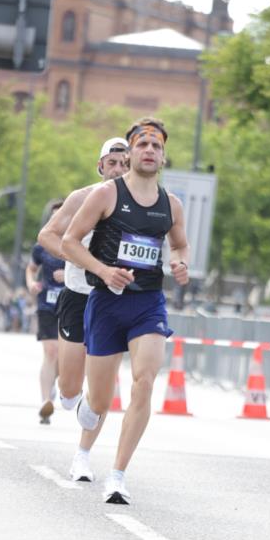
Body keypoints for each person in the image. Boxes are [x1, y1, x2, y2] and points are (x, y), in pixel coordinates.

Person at [62, 117, 190, 504]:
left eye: (156, 146)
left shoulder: (171, 205)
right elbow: (69, 242)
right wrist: (102, 271)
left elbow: (180, 245)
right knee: (99, 403)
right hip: (105, 303)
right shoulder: (105, 195)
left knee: (144, 381)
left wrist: (181, 263)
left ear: (164, 157)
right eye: (142, 145)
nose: (149, 150)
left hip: (147, 302)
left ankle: (117, 475)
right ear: (131, 152)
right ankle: (89, 403)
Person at [38, 136, 129, 480]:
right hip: (77, 294)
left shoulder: (137, 202)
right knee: (70, 389)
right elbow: (47, 235)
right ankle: (73, 398)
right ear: (100, 166)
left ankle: (83, 456)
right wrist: (77, 257)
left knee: (102, 386)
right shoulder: (81, 198)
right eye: (112, 163)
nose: (118, 170)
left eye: (125, 164)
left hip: (115, 299)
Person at [26, 200, 65, 424]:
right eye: (54, 217)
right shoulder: (41, 246)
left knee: (64, 355)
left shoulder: (78, 244)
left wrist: (69, 275)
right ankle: (44, 403)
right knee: (51, 351)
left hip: (70, 303)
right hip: (47, 303)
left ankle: (51, 386)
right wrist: (31, 283)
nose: (58, 221)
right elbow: (31, 269)